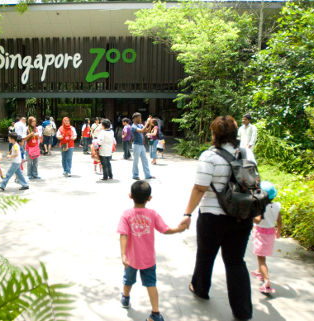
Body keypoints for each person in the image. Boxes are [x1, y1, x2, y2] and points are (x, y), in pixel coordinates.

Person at [180, 115, 256, 321]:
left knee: (206, 255)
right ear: (234, 133)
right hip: (241, 216)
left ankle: (200, 288)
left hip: (212, 216)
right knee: (235, 261)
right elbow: (253, 182)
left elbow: (199, 187)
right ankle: (242, 311)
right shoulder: (247, 153)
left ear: (214, 134)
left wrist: (187, 213)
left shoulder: (209, 156)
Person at [117, 180, 187, 321]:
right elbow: (165, 229)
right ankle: (155, 313)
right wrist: (179, 229)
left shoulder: (126, 215)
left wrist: (123, 255)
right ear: (149, 198)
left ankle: (125, 298)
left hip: (131, 259)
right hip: (148, 259)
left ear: (130, 196)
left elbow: (123, 235)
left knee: (128, 279)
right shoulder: (152, 214)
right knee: (151, 283)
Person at [251, 181, 282, 295]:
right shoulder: (277, 206)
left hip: (261, 234)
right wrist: (279, 230)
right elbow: (279, 220)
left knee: (261, 259)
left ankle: (266, 281)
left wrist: (250, 216)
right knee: (263, 255)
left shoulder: (260, 207)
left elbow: (257, 220)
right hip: (270, 233)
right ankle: (259, 271)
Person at [131, 113, 155, 180]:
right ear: (135, 118)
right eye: (139, 117)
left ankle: (148, 175)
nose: (140, 119)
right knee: (136, 161)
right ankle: (135, 175)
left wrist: (150, 123)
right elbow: (141, 131)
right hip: (136, 145)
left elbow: (147, 130)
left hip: (141, 145)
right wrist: (147, 122)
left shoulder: (140, 125)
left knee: (145, 160)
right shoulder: (133, 126)